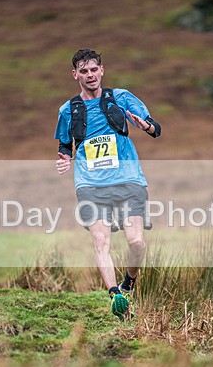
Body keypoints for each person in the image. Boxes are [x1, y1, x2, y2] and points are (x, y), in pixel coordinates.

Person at [54, 48, 162, 321]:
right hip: (90, 185)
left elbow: (155, 129)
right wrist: (65, 159)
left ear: (102, 71)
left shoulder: (122, 98)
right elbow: (65, 144)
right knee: (101, 242)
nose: (89, 75)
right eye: (84, 71)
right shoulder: (68, 110)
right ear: (75, 74)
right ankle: (116, 296)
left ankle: (129, 282)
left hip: (128, 179)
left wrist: (144, 126)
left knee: (136, 243)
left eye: (94, 70)